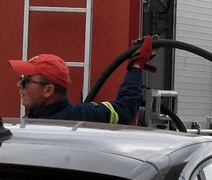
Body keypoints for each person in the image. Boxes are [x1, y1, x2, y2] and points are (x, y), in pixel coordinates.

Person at [10, 37, 152, 124]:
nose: (19, 84)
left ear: (48, 90)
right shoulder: (84, 116)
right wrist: (136, 66)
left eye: (26, 80)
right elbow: (125, 107)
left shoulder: (28, 130)